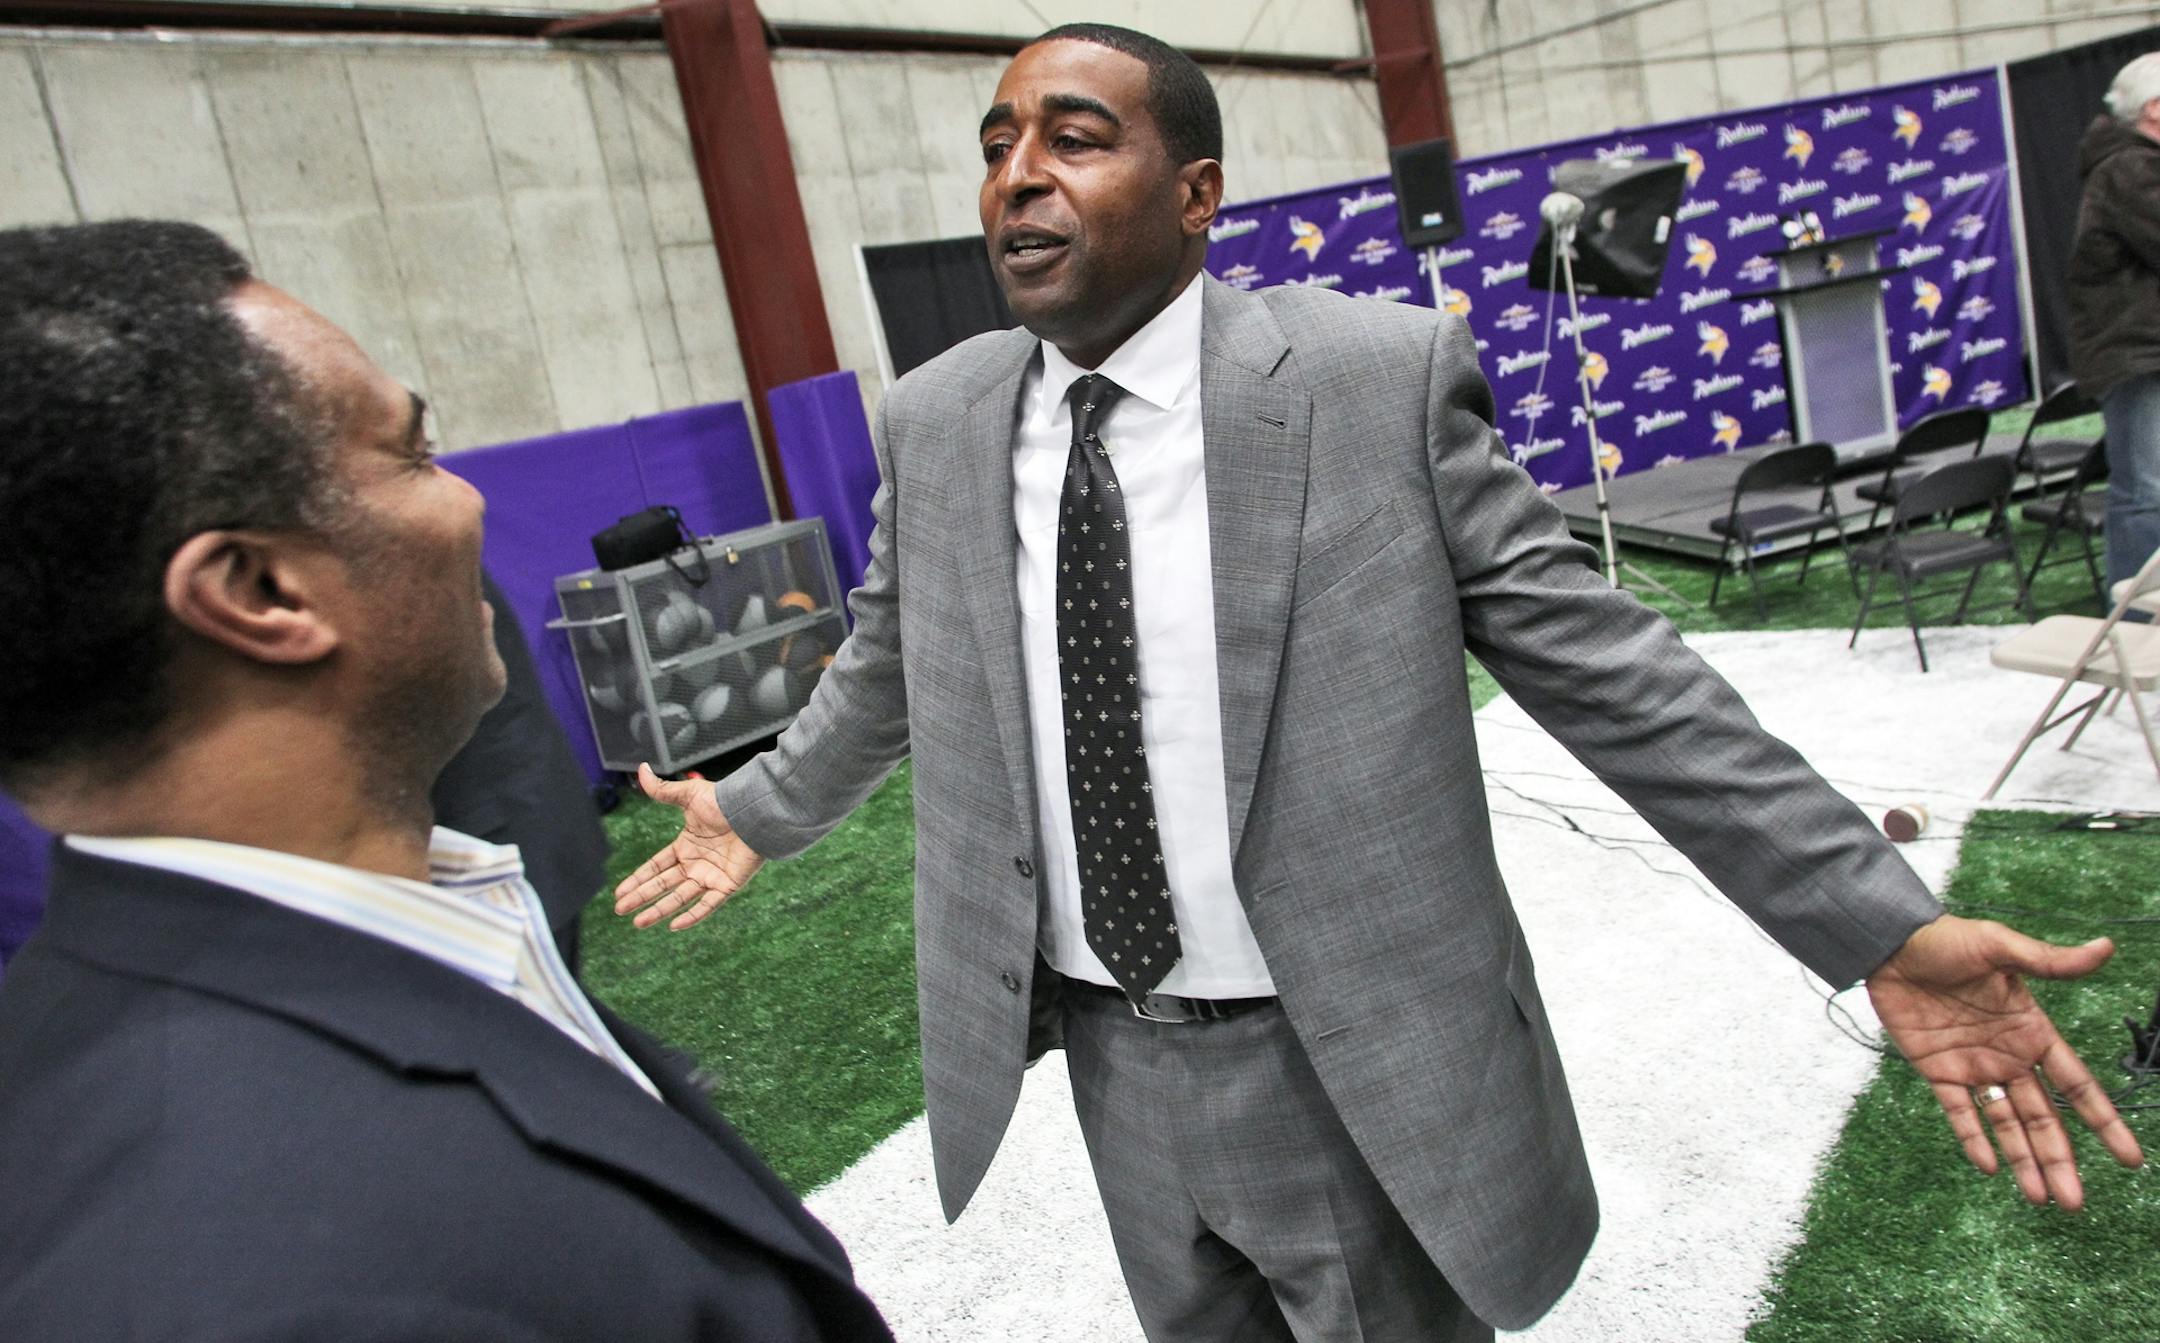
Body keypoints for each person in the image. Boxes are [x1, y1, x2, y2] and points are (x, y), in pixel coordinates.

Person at [615, 24, 2142, 1340]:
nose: (1018, 173)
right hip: (1108, 1052)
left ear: (1196, 195)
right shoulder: (938, 417)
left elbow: (1615, 670)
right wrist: (758, 809)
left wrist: (1873, 912)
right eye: (999, 140)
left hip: (1347, 1060)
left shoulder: (1373, 381)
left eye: (1074, 139)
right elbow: (893, 648)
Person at [0, 219, 893, 1342]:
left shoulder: (376, 955)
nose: (469, 499)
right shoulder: (290, 1276)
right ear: (263, 590)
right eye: (413, 454)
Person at [2068, 50, 2160, 593]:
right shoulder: (2129, 168)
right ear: (2155, 109)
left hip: (2145, 349)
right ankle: (2137, 622)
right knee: (2144, 491)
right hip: (2136, 352)